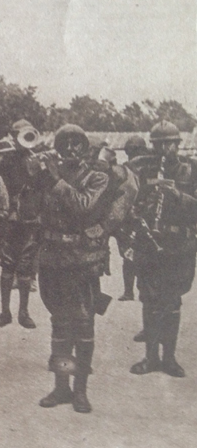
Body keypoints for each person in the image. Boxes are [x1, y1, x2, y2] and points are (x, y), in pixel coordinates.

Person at [34, 124, 110, 414]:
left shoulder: (97, 177)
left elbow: (85, 207)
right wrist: (33, 180)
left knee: (83, 326)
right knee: (59, 326)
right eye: (65, 144)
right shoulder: (51, 176)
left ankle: (80, 391)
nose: (71, 149)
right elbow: (31, 211)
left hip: (82, 262)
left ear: (86, 148)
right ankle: (61, 386)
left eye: (77, 144)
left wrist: (55, 180)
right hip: (53, 259)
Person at [127, 121, 197, 378]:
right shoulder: (143, 168)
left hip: (180, 244)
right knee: (149, 298)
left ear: (178, 144)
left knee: (173, 300)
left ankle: (169, 358)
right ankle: (151, 357)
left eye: (169, 143)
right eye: (158, 145)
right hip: (150, 242)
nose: (164, 149)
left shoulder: (192, 168)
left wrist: (177, 195)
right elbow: (127, 199)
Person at [0, 119, 42, 329]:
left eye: (28, 135)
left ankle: (24, 312)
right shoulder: (4, 159)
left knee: (26, 267)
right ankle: (5, 312)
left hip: (29, 220)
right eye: (21, 135)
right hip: (8, 220)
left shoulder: (35, 159)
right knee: (7, 265)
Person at [117, 135, 148, 303]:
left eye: (135, 152)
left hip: (147, 214)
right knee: (127, 254)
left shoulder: (151, 168)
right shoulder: (126, 169)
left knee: (145, 255)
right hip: (129, 215)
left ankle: (142, 291)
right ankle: (128, 291)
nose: (133, 156)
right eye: (130, 153)